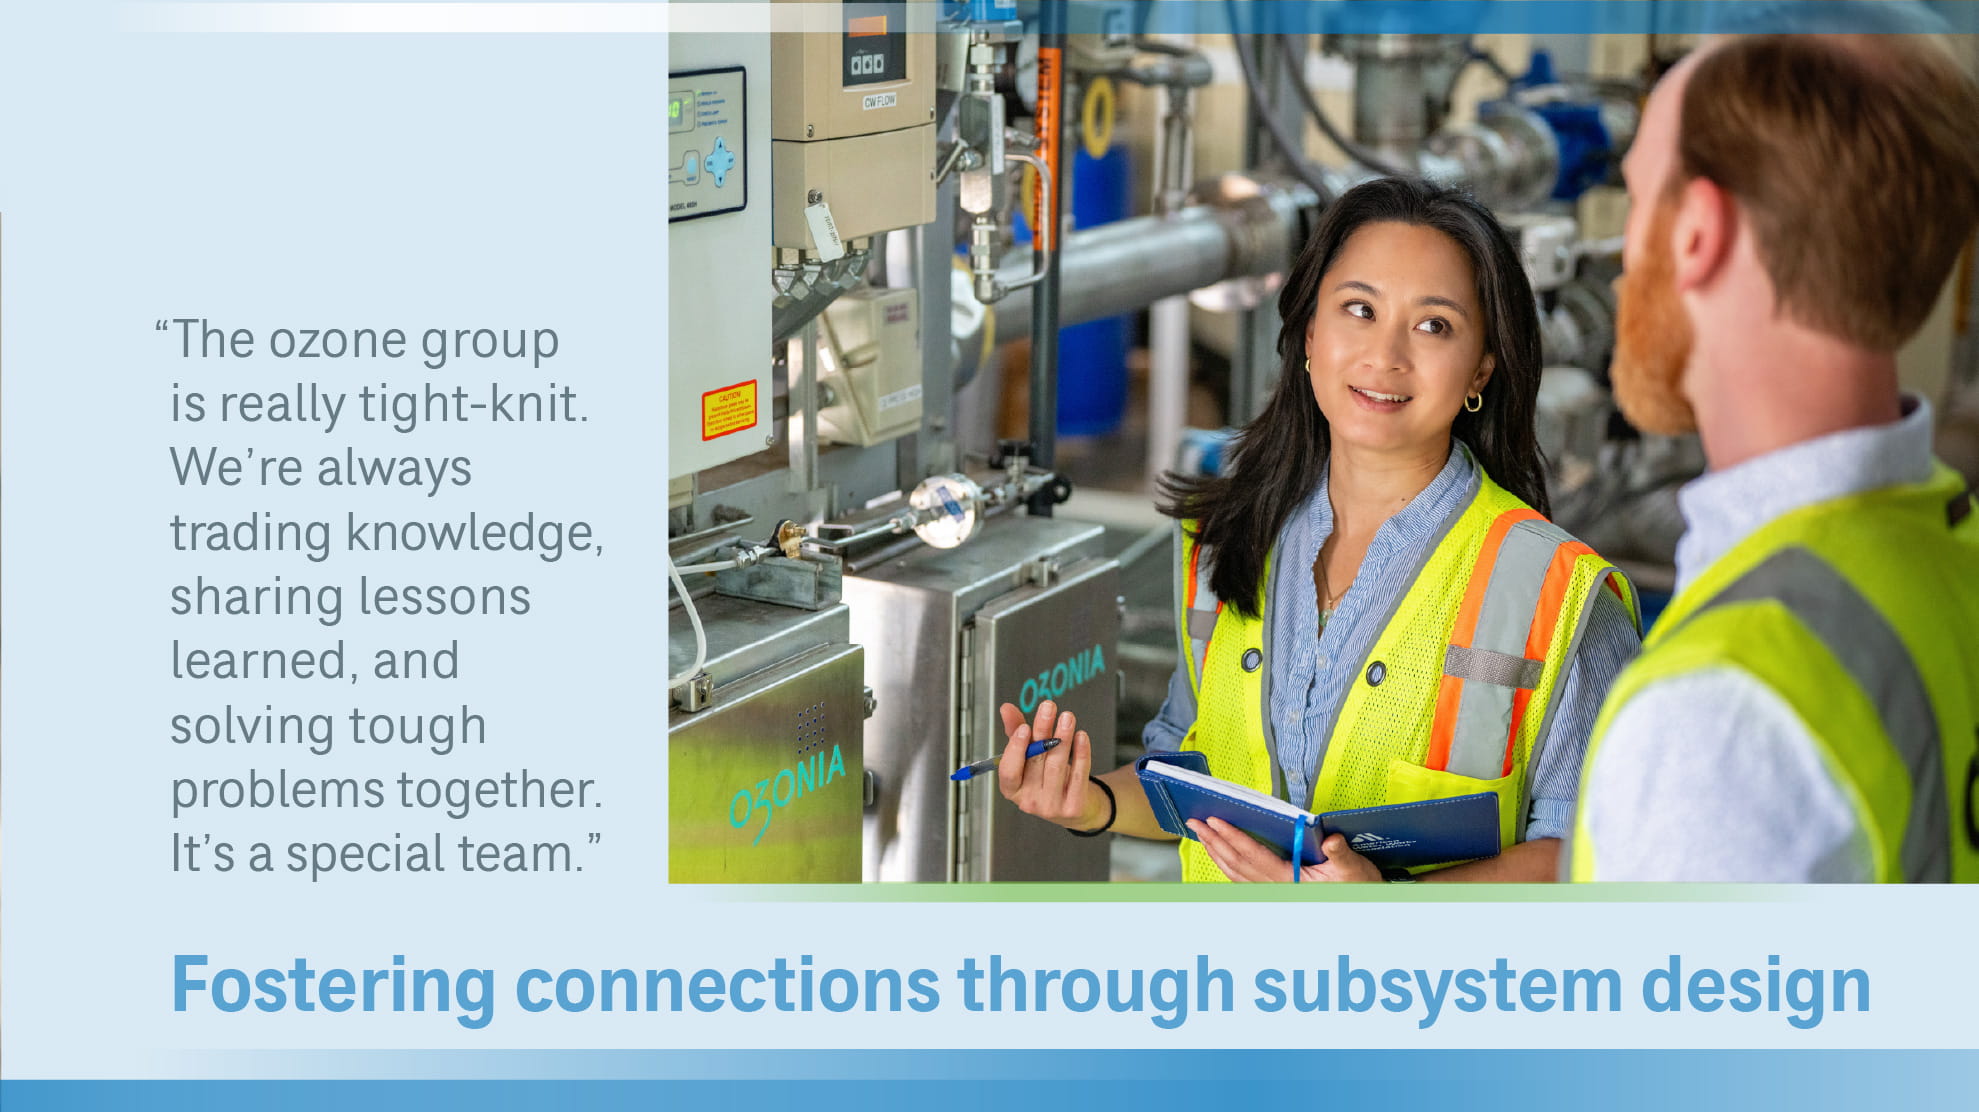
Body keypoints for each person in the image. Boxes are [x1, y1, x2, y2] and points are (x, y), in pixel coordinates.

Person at [995, 177, 1642, 882]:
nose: (1385, 354)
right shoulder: (1223, 538)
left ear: (1480, 368)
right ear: (1309, 334)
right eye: (1358, 310)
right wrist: (1087, 802)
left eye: (1433, 325)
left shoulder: (1555, 592)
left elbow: (1586, 856)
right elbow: (1186, 776)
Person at [1570, 34, 1979, 882]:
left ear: (1695, 233)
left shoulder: (1715, 728)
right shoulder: (1951, 546)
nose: (1615, 270)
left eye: (1638, 198)